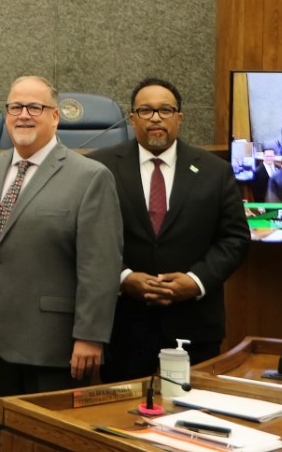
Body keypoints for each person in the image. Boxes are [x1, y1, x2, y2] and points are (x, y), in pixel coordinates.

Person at [0, 76, 121, 451]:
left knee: (52, 445)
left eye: (35, 108)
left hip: (57, 347)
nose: (24, 116)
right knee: (3, 440)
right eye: (15, 107)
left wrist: (91, 335)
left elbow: (100, 264)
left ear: (55, 117)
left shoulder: (90, 176)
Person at [87, 78, 249, 380]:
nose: (156, 118)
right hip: (124, 325)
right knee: (122, 420)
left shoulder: (215, 171)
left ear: (179, 117)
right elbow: (88, 239)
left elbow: (235, 239)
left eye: (165, 110)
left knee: (194, 416)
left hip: (195, 325)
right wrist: (123, 278)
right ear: (132, 118)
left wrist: (196, 281)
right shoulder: (100, 168)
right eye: (146, 111)